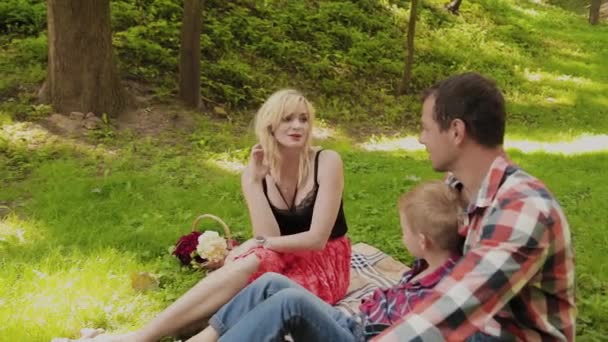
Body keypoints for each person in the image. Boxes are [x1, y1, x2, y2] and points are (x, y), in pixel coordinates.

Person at [190, 72, 576, 342]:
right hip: (457, 328)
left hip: (489, 335)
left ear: (456, 132)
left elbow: (453, 311)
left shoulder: (522, 209)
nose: (421, 139)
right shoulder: (462, 188)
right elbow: (435, 272)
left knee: (290, 301)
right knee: (280, 289)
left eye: (425, 127)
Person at [60, 89, 351, 342]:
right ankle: (142, 336)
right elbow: (269, 238)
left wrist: (260, 244)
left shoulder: (326, 161)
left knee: (252, 265)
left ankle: (159, 334)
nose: (297, 125)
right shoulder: (258, 171)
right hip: (282, 255)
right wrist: (253, 183)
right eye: (288, 119)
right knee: (251, 261)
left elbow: (316, 239)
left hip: (324, 263)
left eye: (303, 119)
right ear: (270, 125)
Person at [187, 180, 465, 342]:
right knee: (273, 283)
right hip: (353, 322)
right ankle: (207, 336)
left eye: (404, 231)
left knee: (290, 303)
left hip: (359, 338)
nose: (401, 236)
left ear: (423, 241)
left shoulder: (440, 293)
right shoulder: (427, 266)